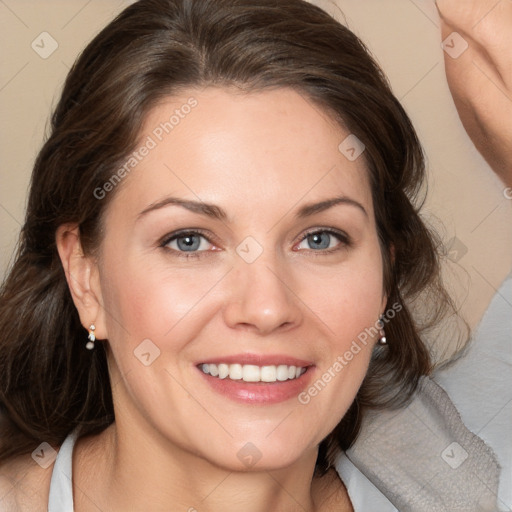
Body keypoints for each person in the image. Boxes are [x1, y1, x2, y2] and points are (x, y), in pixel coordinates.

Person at [0, 0, 501, 510]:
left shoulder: (462, 478)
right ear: (86, 279)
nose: (266, 308)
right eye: (189, 240)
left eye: (320, 238)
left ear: (385, 279)